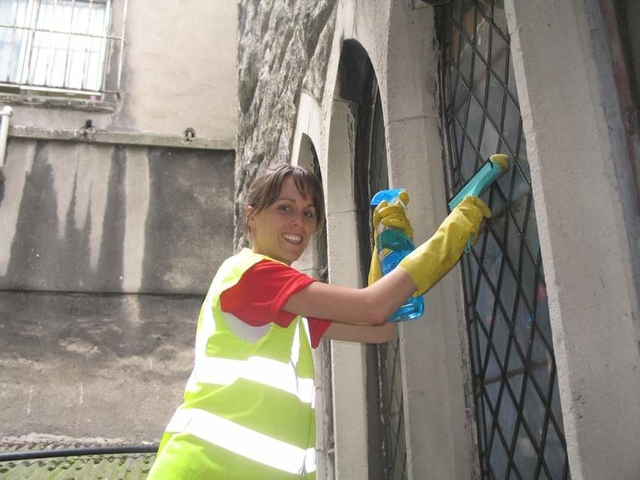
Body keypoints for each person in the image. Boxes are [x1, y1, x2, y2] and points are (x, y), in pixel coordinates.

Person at [146, 163, 491, 479]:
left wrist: (386, 243)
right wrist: (452, 235)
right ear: (251, 217)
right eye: (285, 208)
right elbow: (372, 307)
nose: (299, 222)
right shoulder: (255, 275)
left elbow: (379, 328)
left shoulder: (285, 306)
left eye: (308, 213)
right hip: (204, 468)